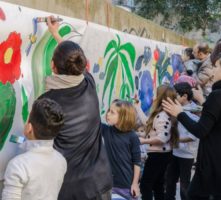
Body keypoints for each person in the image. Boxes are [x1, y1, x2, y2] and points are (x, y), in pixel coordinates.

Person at [163, 51, 221, 200]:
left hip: (216, 170)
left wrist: (179, 113)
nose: (212, 70)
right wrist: (203, 102)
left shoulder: (218, 95)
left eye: (216, 66)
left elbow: (200, 130)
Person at [39, 16, 112, 200]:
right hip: (100, 183)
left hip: (71, 189)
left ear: (52, 67)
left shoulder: (47, 102)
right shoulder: (89, 82)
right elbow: (75, 61)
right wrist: (56, 35)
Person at [1, 98, 67, 200]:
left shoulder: (18, 165)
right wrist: (14, 138)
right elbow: (28, 142)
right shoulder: (61, 161)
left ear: (29, 128)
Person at [139, 85, 178, 200]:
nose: (153, 95)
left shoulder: (162, 116)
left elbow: (162, 138)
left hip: (158, 156)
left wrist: (144, 141)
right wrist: (137, 107)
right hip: (163, 155)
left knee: (146, 185)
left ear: (160, 97)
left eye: (155, 93)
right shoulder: (162, 114)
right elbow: (150, 125)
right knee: (157, 185)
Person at [165, 82, 199, 200]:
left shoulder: (194, 111)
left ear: (184, 96)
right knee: (170, 181)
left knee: (185, 184)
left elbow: (193, 136)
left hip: (187, 155)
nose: (174, 99)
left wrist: (175, 140)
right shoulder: (177, 109)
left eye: (176, 96)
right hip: (175, 152)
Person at [101, 99, 141, 200]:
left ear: (123, 117)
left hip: (126, 186)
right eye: (109, 110)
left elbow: (137, 162)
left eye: (112, 112)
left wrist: (135, 184)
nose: (108, 114)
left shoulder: (132, 137)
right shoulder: (106, 130)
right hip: (109, 184)